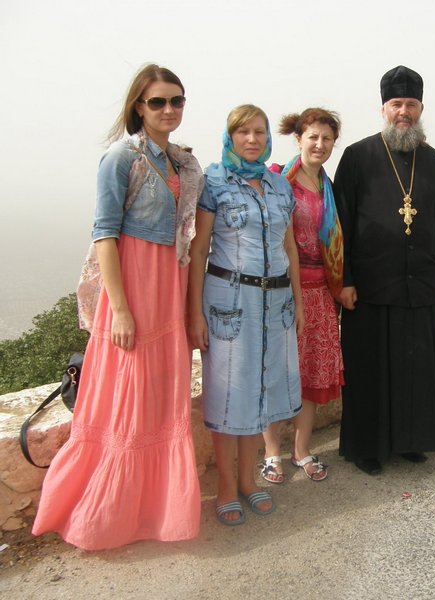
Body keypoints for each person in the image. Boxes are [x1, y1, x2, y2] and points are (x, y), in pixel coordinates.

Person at [33, 64, 203, 550]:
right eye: (158, 101)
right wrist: (121, 311)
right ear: (138, 107)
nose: (168, 109)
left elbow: (191, 236)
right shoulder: (121, 158)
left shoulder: (183, 164)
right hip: (134, 286)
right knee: (128, 397)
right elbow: (105, 235)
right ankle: (107, 515)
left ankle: (155, 510)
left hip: (169, 284)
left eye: (176, 100)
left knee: (162, 395)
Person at [333, 65, 435, 475]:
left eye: (411, 104)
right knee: (370, 370)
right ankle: (368, 449)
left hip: (419, 286)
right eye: (396, 104)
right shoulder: (357, 157)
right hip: (370, 286)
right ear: (383, 108)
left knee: (413, 369)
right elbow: (340, 225)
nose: (403, 111)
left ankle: (410, 441)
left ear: (421, 108)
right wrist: (345, 280)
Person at [187, 104, 303, 525]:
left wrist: (299, 303)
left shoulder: (278, 185)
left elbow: (289, 246)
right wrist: (194, 313)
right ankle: (225, 487)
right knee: (228, 394)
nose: (252, 139)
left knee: (260, 392)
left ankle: (249, 482)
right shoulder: (215, 181)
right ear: (230, 136)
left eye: (259, 132)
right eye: (243, 132)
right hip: (230, 301)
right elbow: (199, 249)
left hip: (276, 301)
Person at [260, 108, 344, 483]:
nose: (319, 145)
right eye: (313, 137)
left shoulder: (329, 187)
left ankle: (301, 450)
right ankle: (271, 453)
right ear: (298, 139)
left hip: (321, 293)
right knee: (276, 374)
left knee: (310, 376)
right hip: (284, 292)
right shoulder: (280, 182)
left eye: (327, 139)